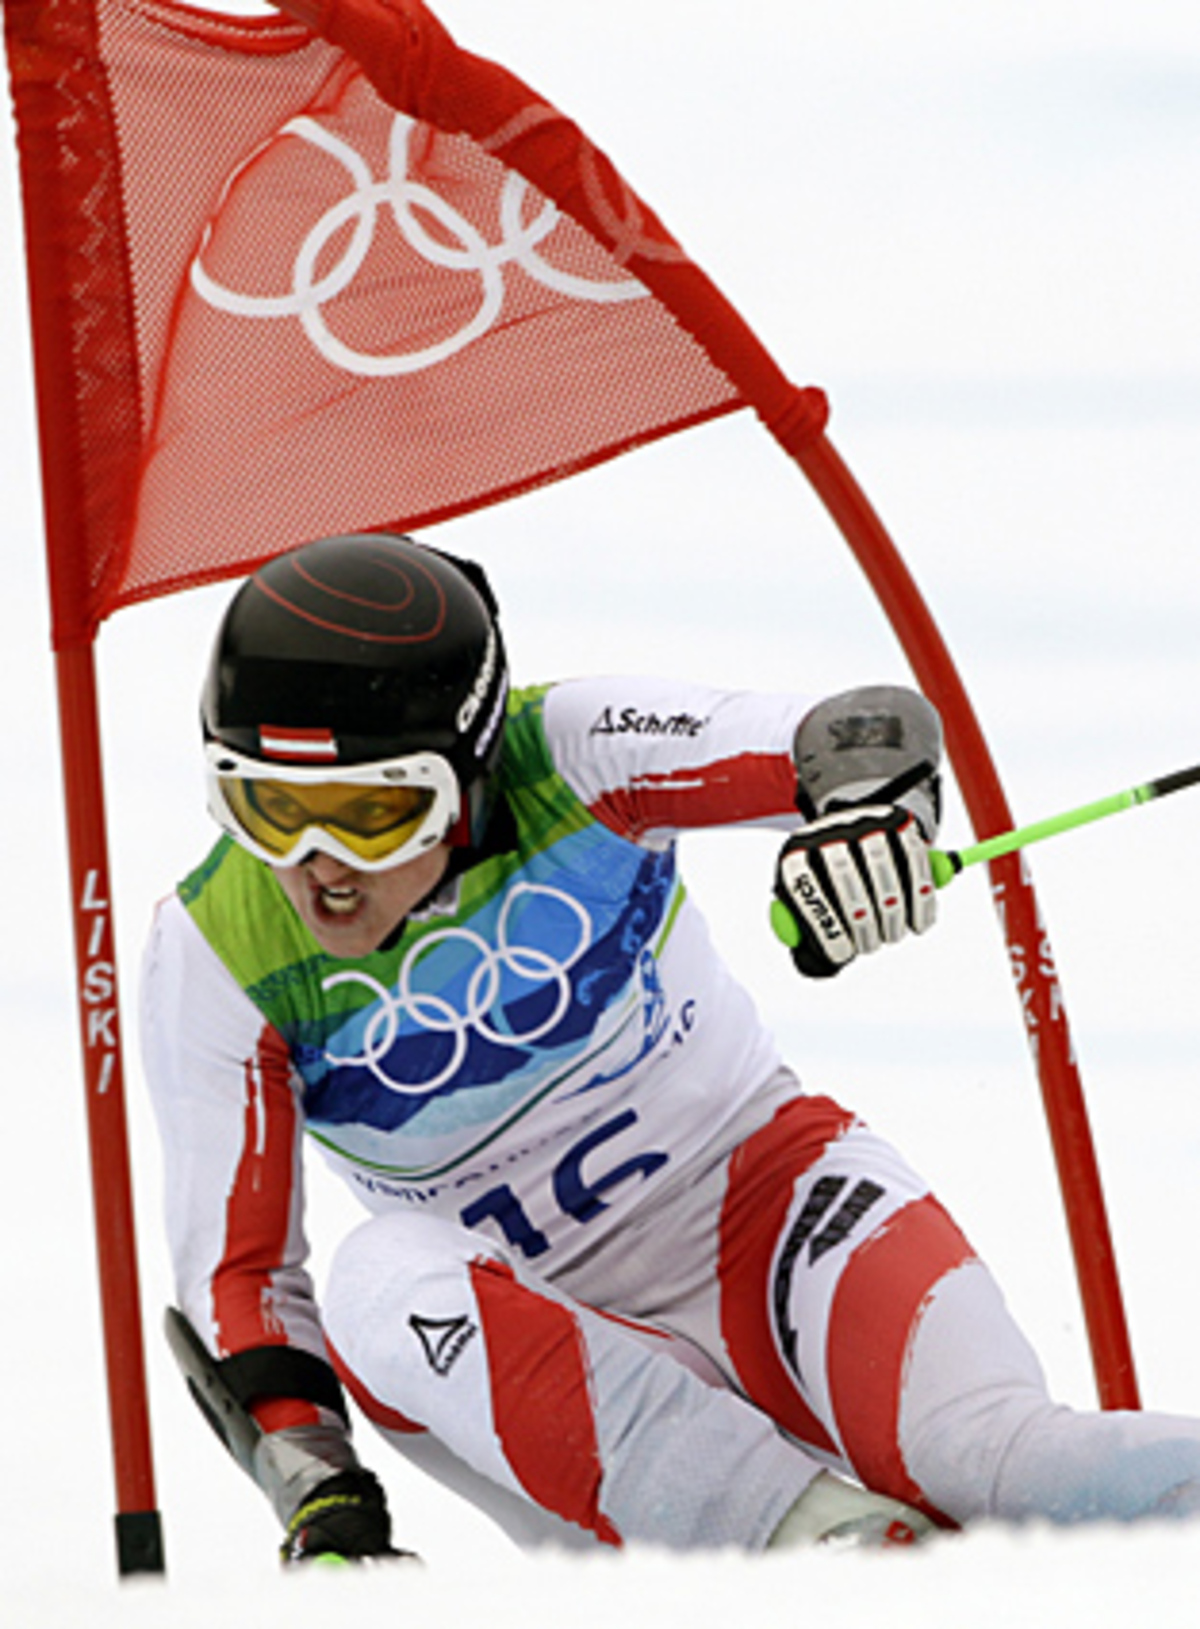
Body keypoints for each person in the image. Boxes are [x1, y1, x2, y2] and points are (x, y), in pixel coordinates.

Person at [142, 530, 1200, 1563]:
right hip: (540, 1360)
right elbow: (239, 1276)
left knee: (997, 1466)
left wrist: (867, 824)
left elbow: (862, 732)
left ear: (468, 778)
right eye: (265, 808)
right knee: (376, 1275)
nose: (316, 869)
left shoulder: (569, 751)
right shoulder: (215, 947)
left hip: (771, 1211)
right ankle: (816, 1545)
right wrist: (318, 1490)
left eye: (374, 815)